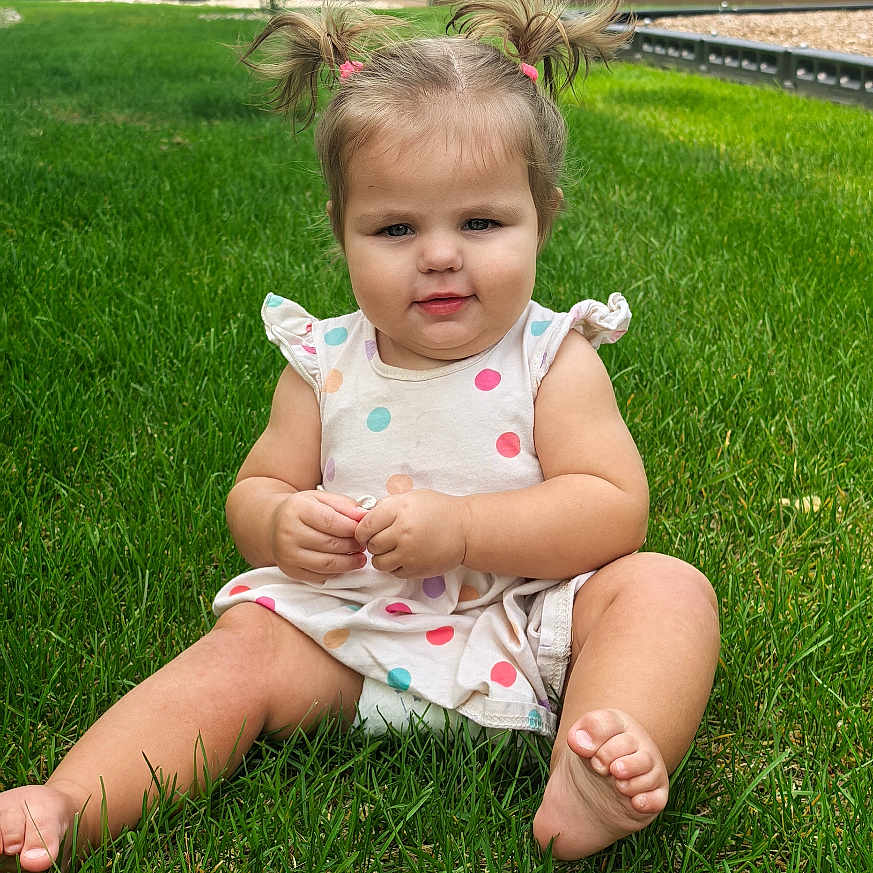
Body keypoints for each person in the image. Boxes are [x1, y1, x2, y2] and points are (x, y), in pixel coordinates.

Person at [0, 0, 720, 866]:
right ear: (341, 231)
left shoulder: (552, 356)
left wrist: (463, 529)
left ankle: (596, 764)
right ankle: (73, 801)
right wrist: (277, 524)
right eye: (395, 228)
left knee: (663, 590)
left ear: (544, 217)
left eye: (481, 222)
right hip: (353, 637)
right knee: (238, 653)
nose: (441, 255)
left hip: (529, 630)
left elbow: (612, 511)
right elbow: (257, 486)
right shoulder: (321, 360)